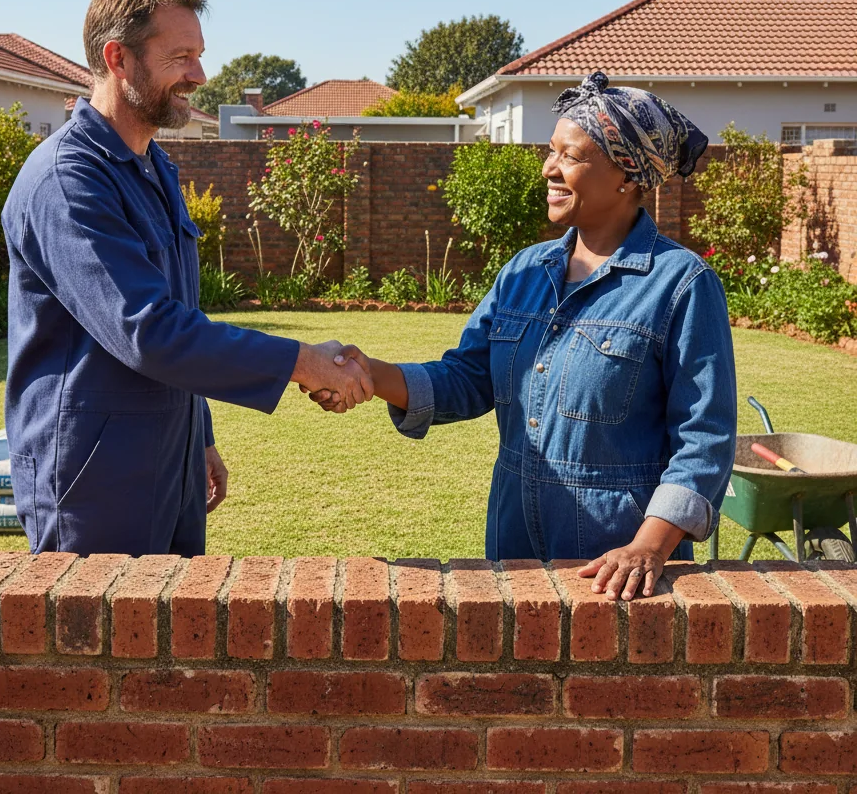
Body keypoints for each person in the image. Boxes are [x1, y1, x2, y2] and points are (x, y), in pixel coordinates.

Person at [307, 72, 736, 601]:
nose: (549, 168)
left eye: (571, 156)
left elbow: (706, 437)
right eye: (550, 151)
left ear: (627, 173)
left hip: (612, 564)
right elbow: (468, 377)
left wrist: (648, 546)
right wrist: (371, 374)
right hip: (511, 545)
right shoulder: (524, 272)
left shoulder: (681, 284)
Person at [2, 0, 372, 557]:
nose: (199, 77)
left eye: (199, 56)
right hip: (92, 481)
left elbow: (180, 312)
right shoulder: (69, 181)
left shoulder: (152, 167)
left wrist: (198, 439)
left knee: (174, 639)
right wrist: (305, 363)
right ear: (117, 58)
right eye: (180, 58)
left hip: (168, 463)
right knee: (105, 644)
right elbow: (148, 331)